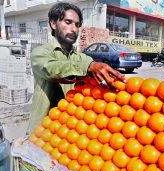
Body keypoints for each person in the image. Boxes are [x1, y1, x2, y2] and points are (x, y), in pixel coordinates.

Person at [27, 2, 125, 134]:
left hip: (72, 132)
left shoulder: (82, 58)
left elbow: (96, 74)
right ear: (53, 23)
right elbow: (51, 69)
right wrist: (89, 67)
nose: (74, 29)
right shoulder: (39, 53)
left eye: (77, 25)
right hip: (43, 131)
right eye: (68, 22)